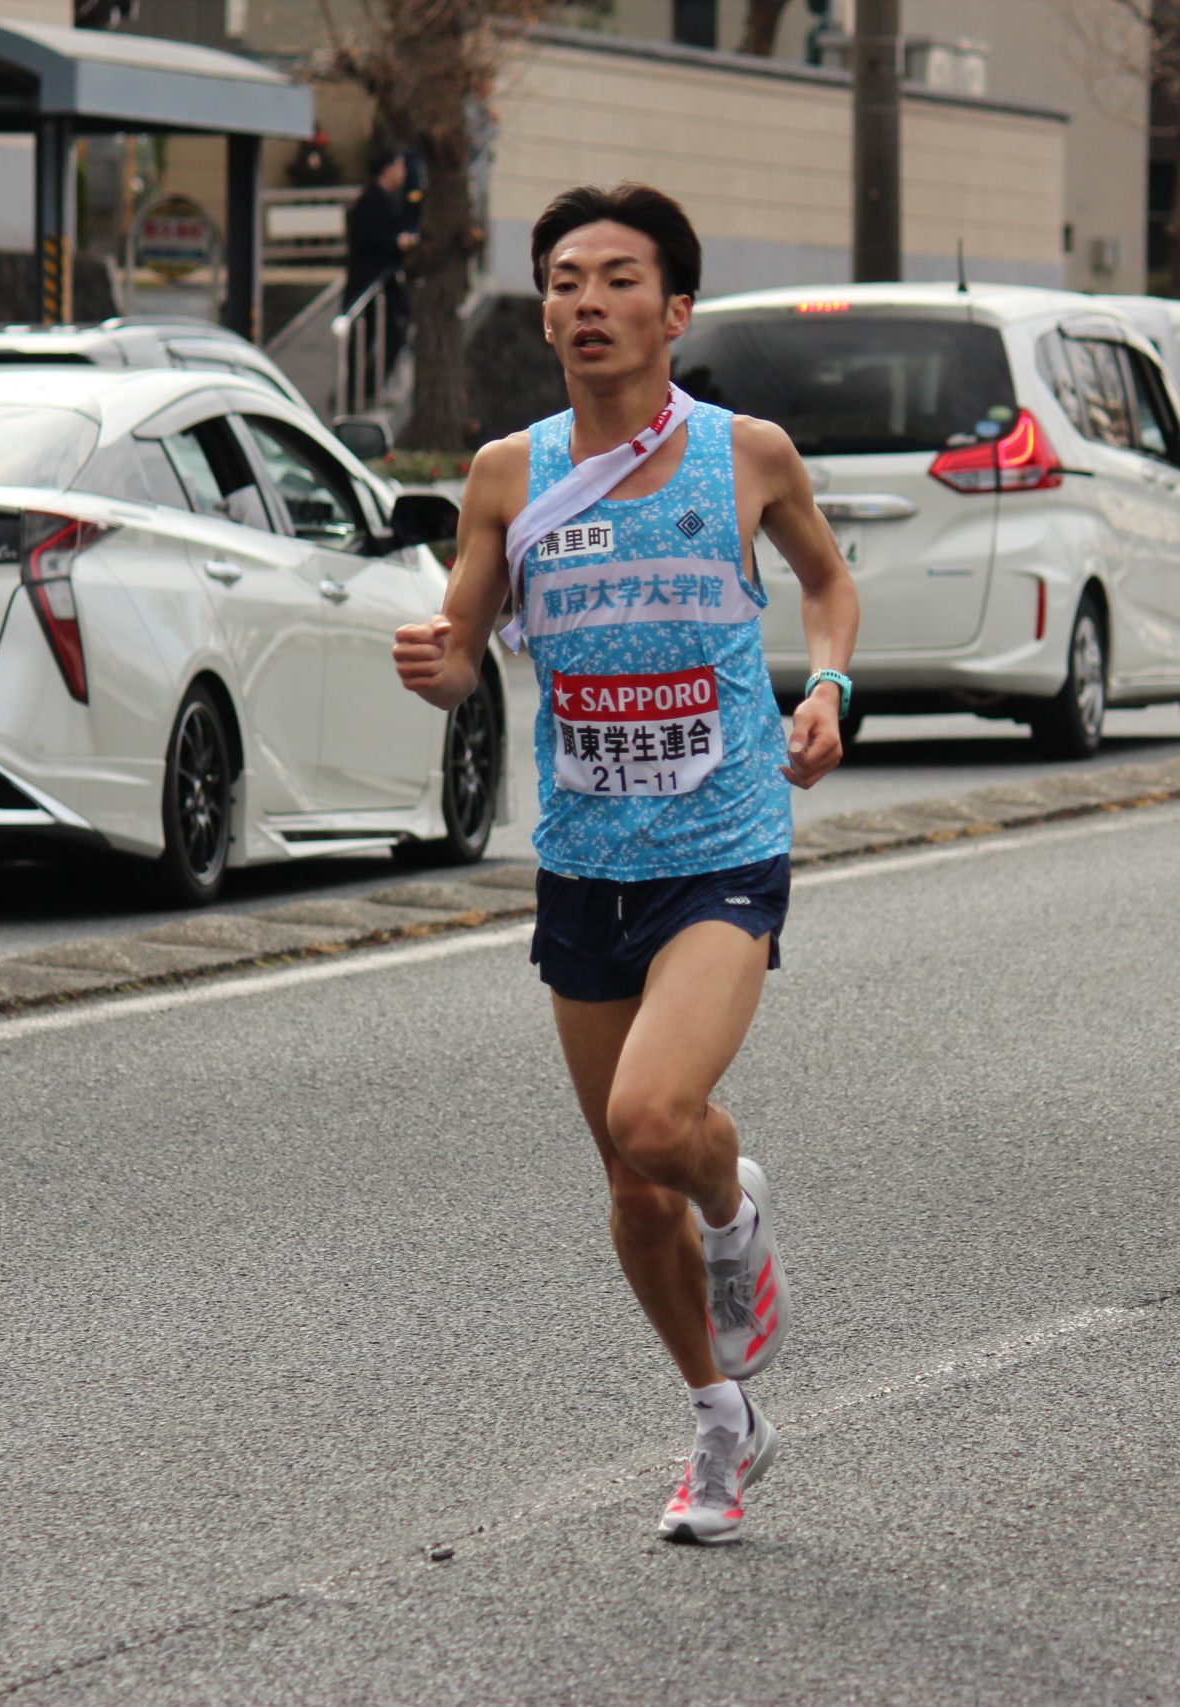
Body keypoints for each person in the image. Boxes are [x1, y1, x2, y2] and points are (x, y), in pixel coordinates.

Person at [391, 184, 859, 1545]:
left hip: (721, 843)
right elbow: (464, 647)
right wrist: (440, 664)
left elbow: (828, 582)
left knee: (663, 1121)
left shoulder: (745, 455)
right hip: (586, 858)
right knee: (623, 1175)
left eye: (615, 279)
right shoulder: (508, 474)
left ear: (676, 309)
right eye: (561, 281)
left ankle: (737, 1199)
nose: (583, 303)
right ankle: (720, 1415)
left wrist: (827, 688)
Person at [343, 149, 418, 384]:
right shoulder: (369, 200)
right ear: (387, 169)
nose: (403, 172)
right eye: (399, 166)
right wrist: (396, 242)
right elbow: (366, 236)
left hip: (388, 282)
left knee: (394, 335)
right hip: (369, 280)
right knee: (363, 340)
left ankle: (369, 386)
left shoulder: (392, 199)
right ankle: (359, 388)